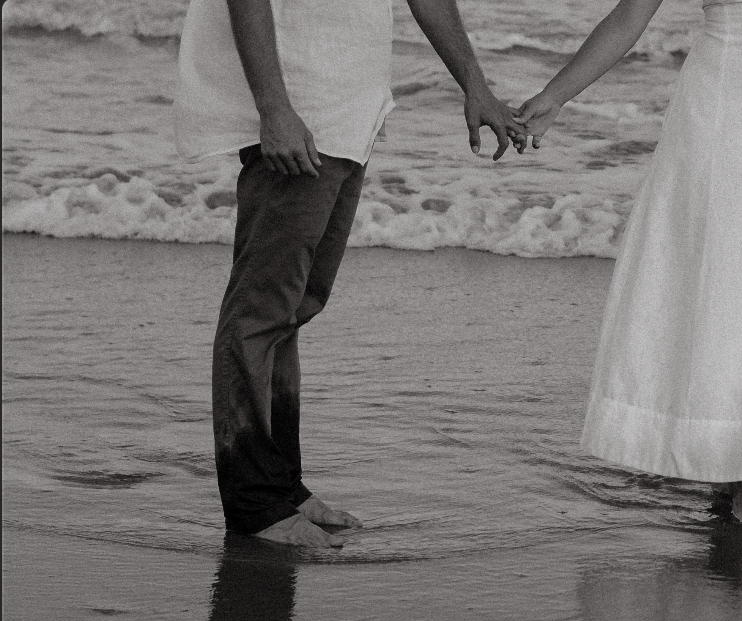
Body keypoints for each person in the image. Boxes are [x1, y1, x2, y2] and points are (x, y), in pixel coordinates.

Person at [174, 0, 526, 551]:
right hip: (301, 109)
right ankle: (254, 505)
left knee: (294, 308)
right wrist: (273, 108)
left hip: (349, 109)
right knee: (261, 312)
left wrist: (474, 84)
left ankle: (282, 486)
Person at [517, 0, 742, 525]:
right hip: (728, 119)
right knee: (726, 286)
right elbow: (628, 18)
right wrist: (556, 96)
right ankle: (735, 473)